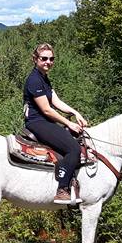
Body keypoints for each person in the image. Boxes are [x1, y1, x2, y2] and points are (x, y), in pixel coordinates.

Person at [23, 43, 89, 205]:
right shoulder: (34, 80)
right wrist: (69, 123)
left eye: (51, 59)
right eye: (44, 58)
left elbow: (55, 101)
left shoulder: (44, 78)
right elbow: (46, 109)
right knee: (74, 148)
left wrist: (75, 113)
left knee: (76, 138)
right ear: (35, 59)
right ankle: (62, 189)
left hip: (45, 122)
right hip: (37, 123)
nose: (48, 62)